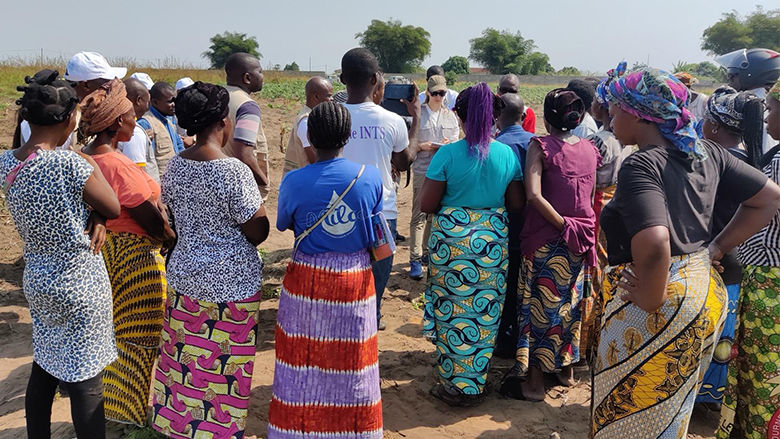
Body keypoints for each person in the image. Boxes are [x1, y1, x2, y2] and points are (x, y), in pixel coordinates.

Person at [588, 68, 780, 439]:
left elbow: (657, 240)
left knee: (626, 412)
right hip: (702, 288)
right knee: (669, 409)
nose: (611, 116)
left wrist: (651, 294)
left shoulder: (643, 163)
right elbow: (769, 197)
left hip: (655, 298)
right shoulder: (708, 153)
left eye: (616, 108)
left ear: (639, 112)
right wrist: (716, 247)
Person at [2, 70, 121, 438]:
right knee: (86, 380)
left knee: (46, 363)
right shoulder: (71, 164)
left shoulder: (7, 163)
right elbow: (113, 206)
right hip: (79, 282)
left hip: (39, 278)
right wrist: (98, 213)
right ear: (71, 119)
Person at [150, 82, 269, 439]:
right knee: (224, 371)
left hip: (185, 278)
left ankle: (181, 428)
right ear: (224, 122)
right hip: (231, 287)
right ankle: (218, 431)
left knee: (184, 361)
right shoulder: (232, 171)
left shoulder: (176, 166)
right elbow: (258, 230)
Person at [269, 101, 384, 439]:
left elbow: (285, 223)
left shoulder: (294, 182)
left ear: (311, 138)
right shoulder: (369, 177)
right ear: (348, 136)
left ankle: (298, 431)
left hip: (307, 278)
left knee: (302, 357)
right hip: (354, 280)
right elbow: (376, 234)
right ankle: (354, 430)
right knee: (353, 357)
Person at [419, 82, 524, 406]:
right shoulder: (506, 154)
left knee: (453, 311)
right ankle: (474, 378)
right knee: (483, 312)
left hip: (451, 246)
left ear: (458, 114)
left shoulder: (447, 154)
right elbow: (517, 203)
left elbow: (427, 204)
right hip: (490, 245)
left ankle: (455, 384)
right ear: (495, 116)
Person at [79, 78, 175, 427]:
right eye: (132, 115)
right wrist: (169, 238)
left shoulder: (81, 158)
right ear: (117, 122)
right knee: (138, 339)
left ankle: (105, 409)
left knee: (108, 336)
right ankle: (130, 417)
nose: (136, 121)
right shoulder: (117, 166)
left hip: (101, 257)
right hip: (135, 261)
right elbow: (151, 221)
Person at [501, 89, 600, 402]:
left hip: (547, 238)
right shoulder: (589, 148)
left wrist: (562, 225)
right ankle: (566, 372)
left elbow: (533, 195)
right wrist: (575, 228)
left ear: (546, 118)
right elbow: (590, 194)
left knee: (537, 308)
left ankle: (533, 383)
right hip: (581, 239)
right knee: (568, 305)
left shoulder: (540, 145)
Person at [693, 87, 765, 410]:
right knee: (726, 335)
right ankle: (715, 398)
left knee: (703, 331)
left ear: (715, 127)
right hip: (735, 260)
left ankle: (694, 397)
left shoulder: (706, 160)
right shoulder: (752, 161)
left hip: (707, 257)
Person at [717, 80, 780, 439]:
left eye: (772, 109)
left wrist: (720, 245)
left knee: (762, 377)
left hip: (769, 283)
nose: (767, 119)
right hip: (767, 280)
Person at [339, 47, 418, 330]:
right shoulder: (392, 121)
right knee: (376, 283)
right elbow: (403, 161)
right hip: (381, 213)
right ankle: (372, 321)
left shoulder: (331, 116)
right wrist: (416, 119)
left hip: (339, 216)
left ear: (341, 79)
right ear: (375, 80)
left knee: (344, 283)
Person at [15, 51, 127, 149]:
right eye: (106, 83)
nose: (110, 88)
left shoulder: (82, 113)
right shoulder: (62, 115)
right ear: (86, 85)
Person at [493, 92, 534, 357]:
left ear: (497, 117)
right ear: (523, 116)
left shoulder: (497, 146)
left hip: (505, 226)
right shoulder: (536, 143)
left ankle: (505, 339)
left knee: (505, 286)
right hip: (532, 227)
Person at [408, 74, 460, 281]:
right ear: (427, 92)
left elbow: (455, 141)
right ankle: (414, 258)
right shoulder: (418, 115)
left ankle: (427, 254)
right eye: (435, 93)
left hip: (442, 171)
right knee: (418, 215)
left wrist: (448, 144)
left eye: (442, 93)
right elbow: (409, 143)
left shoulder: (451, 116)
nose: (439, 97)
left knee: (434, 214)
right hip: (422, 168)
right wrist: (422, 146)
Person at [222, 52, 271, 200]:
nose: (263, 76)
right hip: (240, 186)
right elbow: (244, 153)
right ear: (247, 78)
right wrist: (263, 181)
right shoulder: (247, 106)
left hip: (219, 179)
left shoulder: (219, 96)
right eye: (260, 72)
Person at [717, 48, 780, 153]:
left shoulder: (752, 103)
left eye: (733, 76)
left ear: (750, 75)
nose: (730, 82)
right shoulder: (772, 99)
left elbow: (764, 147)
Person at [282, 76, 333, 175]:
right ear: (316, 97)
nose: (332, 99)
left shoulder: (312, 116)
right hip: (301, 181)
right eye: (329, 96)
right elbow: (314, 159)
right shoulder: (306, 121)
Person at [137, 82, 185, 176]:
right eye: (170, 101)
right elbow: (149, 161)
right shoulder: (146, 123)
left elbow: (179, 146)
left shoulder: (169, 121)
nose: (174, 104)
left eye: (175, 100)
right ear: (155, 102)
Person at [119, 77, 160, 182]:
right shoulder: (135, 133)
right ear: (138, 100)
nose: (148, 107)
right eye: (148, 102)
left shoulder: (121, 125)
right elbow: (137, 176)